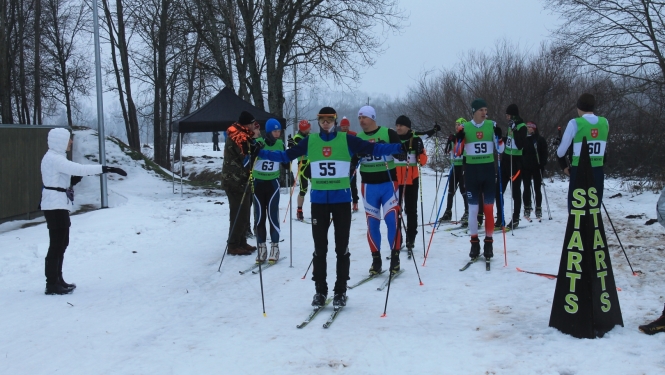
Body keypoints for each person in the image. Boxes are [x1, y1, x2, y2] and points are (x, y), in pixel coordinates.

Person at [258, 106, 406, 308]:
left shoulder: (347, 140)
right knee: (320, 249)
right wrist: (259, 151)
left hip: (341, 202)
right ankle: (320, 291)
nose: (325, 122)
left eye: (329, 119)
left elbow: (373, 148)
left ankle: (340, 291)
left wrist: (397, 148)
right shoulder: (311, 141)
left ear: (335, 121)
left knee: (341, 249)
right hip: (319, 202)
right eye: (322, 119)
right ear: (318, 122)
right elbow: (285, 156)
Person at [40, 128, 127, 295]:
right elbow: (80, 169)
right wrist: (106, 168)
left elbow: (62, 178)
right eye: (68, 139)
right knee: (56, 245)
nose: (71, 142)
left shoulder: (55, 158)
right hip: (54, 206)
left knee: (62, 244)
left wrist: (72, 180)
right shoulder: (54, 158)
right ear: (60, 141)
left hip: (58, 204)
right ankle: (51, 284)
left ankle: (58, 280)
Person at [352, 105, 403, 277]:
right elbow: (351, 161)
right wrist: (356, 156)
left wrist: (388, 148)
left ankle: (395, 259)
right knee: (372, 224)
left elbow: (402, 154)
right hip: (368, 186)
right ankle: (376, 260)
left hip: (389, 183)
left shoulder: (388, 133)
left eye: (364, 117)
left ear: (373, 118)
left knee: (391, 221)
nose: (361, 121)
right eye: (359, 118)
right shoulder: (357, 137)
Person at [455, 99, 504, 260]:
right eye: (481, 110)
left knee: (489, 209)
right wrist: (459, 138)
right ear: (474, 111)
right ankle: (474, 243)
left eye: (486, 109)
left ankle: (488, 243)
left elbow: (501, 149)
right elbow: (457, 152)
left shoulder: (492, 125)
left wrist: (499, 137)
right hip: (472, 173)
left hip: (488, 171)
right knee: (474, 210)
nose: (484, 113)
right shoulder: (465, 127)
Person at [557, 93, 608, 211]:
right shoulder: (604, 122)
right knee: (594, 209)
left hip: (579, 171)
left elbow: (560, 152)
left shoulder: (575, 123)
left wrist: (564, 165)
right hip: (597, 171)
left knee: (577, 211)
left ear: (579, 107)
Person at [221, 110, 260, 255]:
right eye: (252, 124)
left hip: (241, 180)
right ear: (247, 124)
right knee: (239, 213)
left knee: (244, 212)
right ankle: (233, 244)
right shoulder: (240, 137)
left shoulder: (242, 135)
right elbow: (247, 160)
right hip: (235, 181)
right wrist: (256, 145)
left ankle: (241, 241)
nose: (254, 127)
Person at [252, 118, 288, 263]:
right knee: (259, 217)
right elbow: (247, 162)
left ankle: (275, 247)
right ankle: (261, 248)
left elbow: (286, 165)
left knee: (273, 216)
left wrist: (289, 154)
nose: (277, 133)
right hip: (258, 183)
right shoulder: (258, 142)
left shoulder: (280, 144)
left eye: (279, 131)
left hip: (273, 183)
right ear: (268, 131)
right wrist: (254, 150)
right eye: (275, 131)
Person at [394, 115, 427, 253]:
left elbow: (423, 162)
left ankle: (411, 237)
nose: (398, 128)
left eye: (401, 125)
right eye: (397, 125)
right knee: (396, 211)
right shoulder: (393, 139)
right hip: (395, 181)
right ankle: (397, 237)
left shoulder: (416, 139)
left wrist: (421, 151)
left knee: (411, 210)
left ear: (408, 127)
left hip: (411, 179)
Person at [494, 104, 527, 229]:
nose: (507, 118)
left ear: (513, 115)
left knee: (515, 191)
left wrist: (515, 130)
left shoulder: (522, 127)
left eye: (508, 115)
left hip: (516, 162)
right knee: (499, 190)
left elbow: (519, 144)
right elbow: (509, 140)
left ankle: (516, 217)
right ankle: (500, 217)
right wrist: (499, 137)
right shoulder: (510, 126)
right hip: (505, 161)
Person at [441, 117, 469, 225]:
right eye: (456, 124)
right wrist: (449, 141)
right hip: (454, 166)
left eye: (459, 124)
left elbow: (462, 150)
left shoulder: (465, 136)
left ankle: (467, 212)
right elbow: (447, 151)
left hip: (462, 165)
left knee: (463, 189)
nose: (456, 126)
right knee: (450, 190)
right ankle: (448, 211)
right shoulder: (454, 137)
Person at [521, 121, 548, 220]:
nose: (528, 129)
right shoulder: (524, 139)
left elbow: (544, 152)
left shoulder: (539, 139)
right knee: (526, 188)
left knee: (537, 189)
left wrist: (542, 163)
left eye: (530, 127)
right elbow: (521, 153)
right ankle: (527, 207)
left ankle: (538, 208)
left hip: (537, 167)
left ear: (534, 128)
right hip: (526, 167)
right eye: (527, 127)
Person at [289, 119, 312, 221]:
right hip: (303, 165)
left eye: (308, 127)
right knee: (303, 188)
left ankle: (316, 209)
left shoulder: (310, 136)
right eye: (306, 128)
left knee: (316, 187)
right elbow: (302, 148)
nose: (308, 129)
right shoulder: (297, 137)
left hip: (312, 164)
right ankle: (299, 211)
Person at [339, 116, 360, 212]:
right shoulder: (337, 136)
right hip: (341, 164)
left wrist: (355, 161)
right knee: (342, 184)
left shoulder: (354, 135)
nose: (345, 128)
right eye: (343, 126)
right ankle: (343, 202)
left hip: (352, 163)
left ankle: (355, 202)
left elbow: (357, 149)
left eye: (346, 126)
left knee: (353, 184)